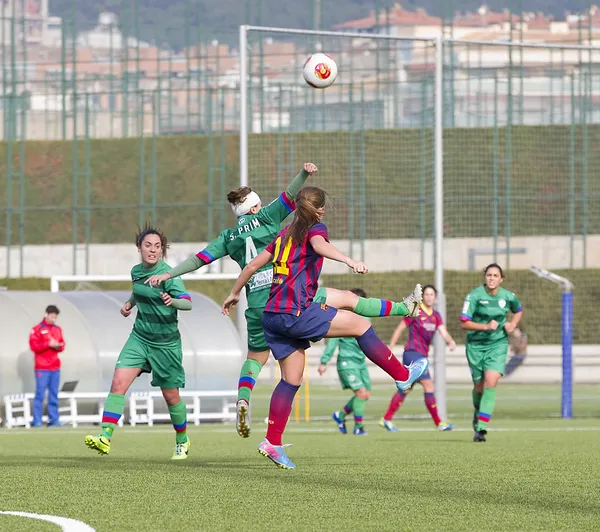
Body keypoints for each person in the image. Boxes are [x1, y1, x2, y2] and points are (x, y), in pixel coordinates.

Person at [147, 164, 420, 440]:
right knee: (350, 301)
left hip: (257, 305)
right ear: (254, 207)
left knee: (258, 359)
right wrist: (304, 174)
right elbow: (292, 197)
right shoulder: (269, 219)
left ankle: (246, 401)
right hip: (289, 293)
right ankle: (403, 310)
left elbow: (201, 259)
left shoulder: (229, 237)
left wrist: (171, 273)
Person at [222, 186, 428, 469]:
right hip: (296, 312)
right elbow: (320, 246)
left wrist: (234, 293)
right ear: (319, 210)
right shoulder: (314, 230)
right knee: (359, 323)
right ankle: (402, 375)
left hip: (272, 316)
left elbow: (251, 266)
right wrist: (349, 260)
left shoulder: (283, 235)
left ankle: (272, 441)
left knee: (291, 379)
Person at [85, 226, 193, 460]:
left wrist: (172, 301)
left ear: (162, 250)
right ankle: (105, 436)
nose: (153, 250)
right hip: (140, 338)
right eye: (148, 245)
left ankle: (182, 440)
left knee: (171, 396)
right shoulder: (136, 271)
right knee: (118, 383)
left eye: (157, 246)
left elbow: (188, 303)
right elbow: (139, 291)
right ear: (139, 248)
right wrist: (129, 304)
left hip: (165, 344)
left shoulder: (169, 275)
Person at [379, 285, 456, 432]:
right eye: (426, 294)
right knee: (429, 386)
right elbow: (400, 328)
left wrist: (450, 341)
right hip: (413, 354)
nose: (428, 297)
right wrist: (391, 346)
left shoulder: (436, 316)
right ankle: (439, 423)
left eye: (431, 294)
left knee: (406, 388)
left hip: (422, 355)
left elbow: (444, 332)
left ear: (436, 297)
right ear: (422, 297)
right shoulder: (416, 311)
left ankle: (386, 419)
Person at [461, 263, 523, 442]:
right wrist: (485, 326)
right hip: (475, 346)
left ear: (501, 279)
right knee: (479, 387)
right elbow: (464, 322)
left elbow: (518, 310)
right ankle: (477, 413)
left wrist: (513, 324)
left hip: (498, 345)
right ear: (485, 277)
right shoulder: (474, 296)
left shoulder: (508, 296)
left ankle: (481, 428)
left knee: (491, 381)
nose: (492, 278)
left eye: (496, 275)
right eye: (489, 275)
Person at [318, 288, 372, 436]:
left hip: (360, 362)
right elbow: (332, 342)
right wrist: (324, 362)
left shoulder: (366, 319)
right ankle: (358, 427)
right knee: (360, 393)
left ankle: (340, 415)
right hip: (347, 362)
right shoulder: (342, 319)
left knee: (366, 394)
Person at [29, 305, 65, 427]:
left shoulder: (57, 329)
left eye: (55, 315)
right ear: (46, 314)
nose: (53, 317)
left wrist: (58, 345)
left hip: (55, 367)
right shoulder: (37, 329)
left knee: (54, 395)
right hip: (42, 368)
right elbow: (34, 346)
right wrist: (47, 344)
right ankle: (37, 420)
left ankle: (54, 419)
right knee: (40, 394)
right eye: (52, 314)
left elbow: (62, 345)